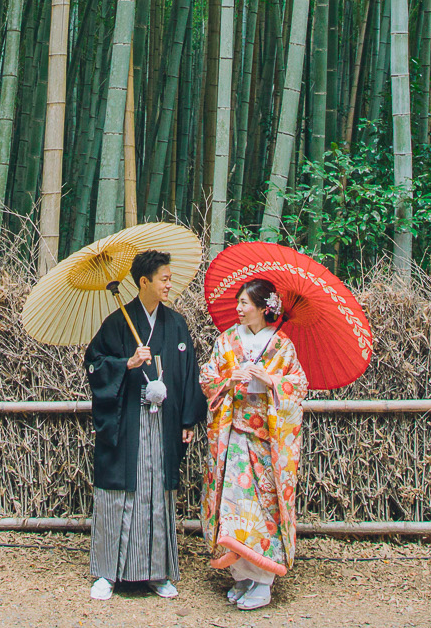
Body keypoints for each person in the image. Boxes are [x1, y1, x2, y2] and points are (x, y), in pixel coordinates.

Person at [83, 248, 207, 601]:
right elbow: (94, 363)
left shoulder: (177, 324)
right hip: (127, 421)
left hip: (164, 422)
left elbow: (188, 375)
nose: (169, 285)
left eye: (169, 279)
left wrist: (187, 419)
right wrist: (127, 363)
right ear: (143, 282)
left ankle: (156, 573)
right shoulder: (118, 322)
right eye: (163, 279)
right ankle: (107, 572)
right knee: (120, 492)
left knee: (157, 492)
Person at [199, 278, 305, 611]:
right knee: (232, 506)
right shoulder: (227, 340)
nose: (239, 309)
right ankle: (241, 575)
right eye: (239, 302)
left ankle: (262, 581)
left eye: (245, 303)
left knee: (263, 509)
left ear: (263, 308)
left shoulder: (282, 345)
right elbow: (207, 377)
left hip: (267, 443)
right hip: (234, 438)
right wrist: (230, 379)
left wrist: (270, 379)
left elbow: (298, 385)